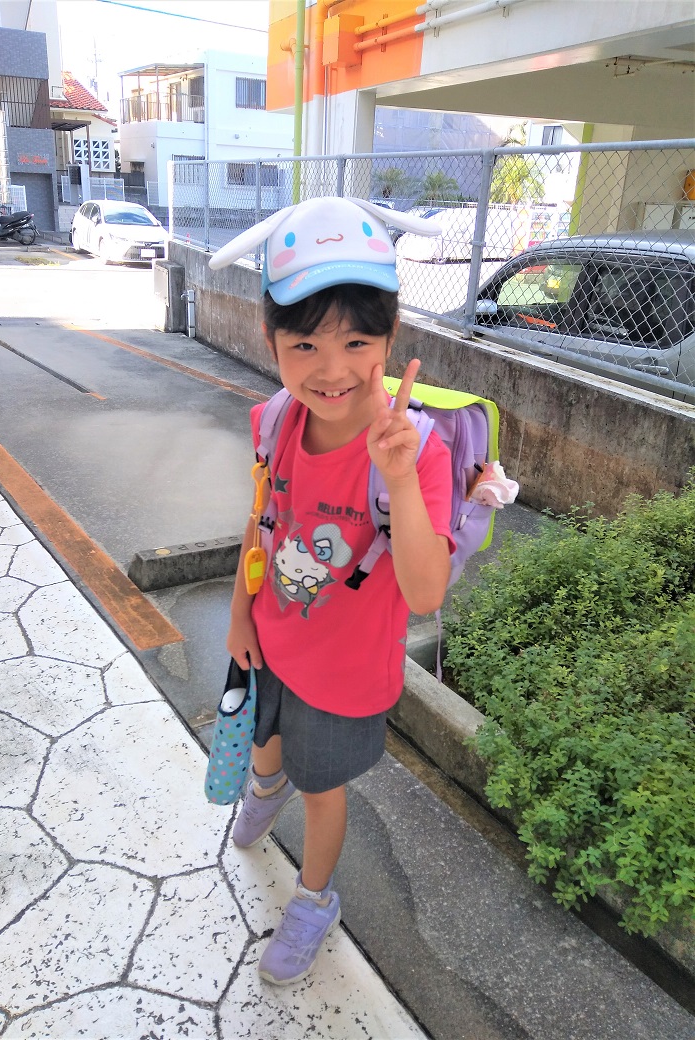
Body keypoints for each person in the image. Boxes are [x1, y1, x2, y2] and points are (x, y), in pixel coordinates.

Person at [208, 196, 454, 986]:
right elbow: (262, 520)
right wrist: (241, 612)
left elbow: (424, 592)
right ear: (271, 340)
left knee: (322, 790)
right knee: (267, 741)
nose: (332, 369)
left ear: (391, 337)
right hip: (273, 637)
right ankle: (265, 783)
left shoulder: (416, 451)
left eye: (357, 342)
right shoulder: (277, 420)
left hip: (344, 676)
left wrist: (399, 480)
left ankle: (315, 899)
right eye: (305, 343)